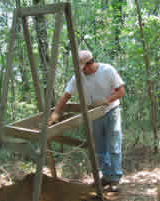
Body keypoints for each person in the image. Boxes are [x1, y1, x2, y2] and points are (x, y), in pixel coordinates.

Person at [48, 50, 125, 191]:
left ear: (90, 63)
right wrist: (56, 113)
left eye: (83, 67)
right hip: (94, 115)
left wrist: (106, 100)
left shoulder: (107, 70)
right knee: (100, 148)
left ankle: (115, 179)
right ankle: (107, 177)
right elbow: (66, 96)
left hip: (111, 111)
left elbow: (121, 91)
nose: (82, 71)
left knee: (113, 146)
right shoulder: (78, 77)